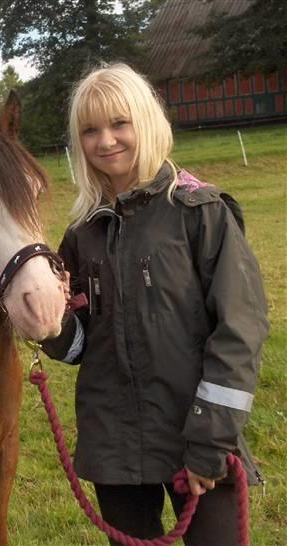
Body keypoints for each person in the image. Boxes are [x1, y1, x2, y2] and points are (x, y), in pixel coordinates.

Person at [40, 63, 269, 545]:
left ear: (146, 120)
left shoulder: (201, 212)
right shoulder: (82, 234)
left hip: (197, 435)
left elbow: (240, 332)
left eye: (119, 123)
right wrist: (50, 322)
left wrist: (209, 442)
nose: (106, 141)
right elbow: (79, 344)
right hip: (113, 446)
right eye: (90, 130)